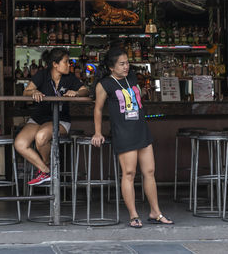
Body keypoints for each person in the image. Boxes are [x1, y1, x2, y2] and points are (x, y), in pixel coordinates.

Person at [91, 47, 174, 228]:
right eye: (122, 64)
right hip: (123, 132)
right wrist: (97, 132)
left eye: (127, 63)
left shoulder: (133, 78)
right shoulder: (105, 84)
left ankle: (155, 212)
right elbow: (97, 109)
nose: (126, 66)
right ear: (111, 67)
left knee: (150, 172)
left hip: (140, 129)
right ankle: (133, 215)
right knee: (129, 173)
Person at [15, 48, 89, 186]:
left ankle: (45, 168)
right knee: (20, 144)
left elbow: (85, 90)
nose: (69, 65)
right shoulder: (42, 75)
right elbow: (26, 91)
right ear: (55, 64)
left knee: (41, 136)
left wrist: (76, 93)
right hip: (38, 118)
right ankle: (45, 170)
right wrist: (34, 92)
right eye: (66, 62)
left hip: (61, 120)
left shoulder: (70, 78)